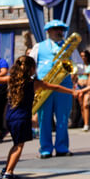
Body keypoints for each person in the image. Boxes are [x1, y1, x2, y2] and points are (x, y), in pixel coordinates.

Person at [0, 56, 77, 179]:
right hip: (22, 118)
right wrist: (72, 92)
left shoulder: (11, 79)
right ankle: (9, 173)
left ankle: (6, 168)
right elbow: (54, 87)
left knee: (16, 144)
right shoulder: (33, 83)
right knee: (19, 146)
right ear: (32, 68)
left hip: (10, 117)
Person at [29, 20, 83, 158]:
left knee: (63, 118)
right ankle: (45, 149)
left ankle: (62, 147)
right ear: (48, 32)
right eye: (55, 29)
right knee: (44, 119)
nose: (59, 32)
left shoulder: (70, 47)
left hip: (64, 87)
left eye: (60, 29)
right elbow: (30, 65)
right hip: (44, 86)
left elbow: (80, 65)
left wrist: (74, 71)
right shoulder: (38, 47)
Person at [77, 49, 90, 131]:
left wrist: (88, 86)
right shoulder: (79, 66)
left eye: (84, 56)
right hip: (79, 86)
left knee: (86, 104)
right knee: (81, 105)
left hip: (87, 86)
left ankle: (87, 123)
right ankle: (84, 122)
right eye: (81, 56)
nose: (83, 58)